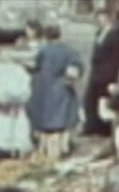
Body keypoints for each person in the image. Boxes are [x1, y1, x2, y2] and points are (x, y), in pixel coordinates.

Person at [26, 25, 82, 160]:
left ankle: (43, 150)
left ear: (46, 37)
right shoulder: (69, 51)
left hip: (43, 89)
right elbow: (76, 68)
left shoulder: (43, 51)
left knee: (45, 122)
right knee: (60, 122)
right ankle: (60, 150)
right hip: (61, 88)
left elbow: (35, 66)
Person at [83, 6, 119, 137]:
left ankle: (104, 129)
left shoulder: (115, 35)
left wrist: (114, 80)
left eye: (100, 18)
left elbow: (116, 60)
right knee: (89, 100)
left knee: (105, 103)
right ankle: (91, 126)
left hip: (107, 75)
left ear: (107, 18)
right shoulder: (99, 33)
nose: (98, 21)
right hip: (96, 73)